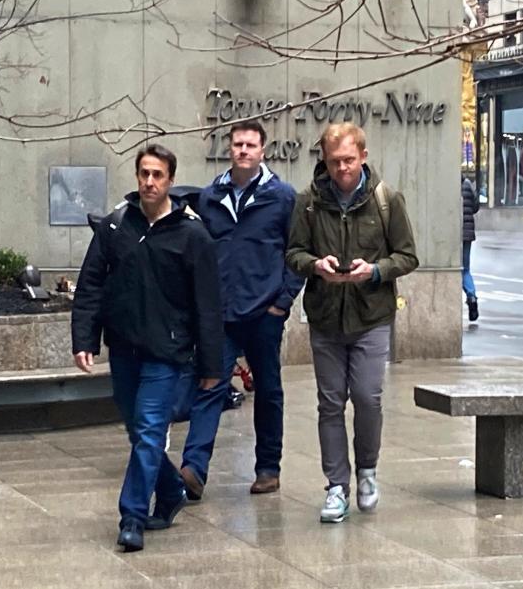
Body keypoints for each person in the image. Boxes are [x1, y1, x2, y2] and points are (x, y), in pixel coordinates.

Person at [71, 144, 223, 552]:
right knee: (137, 429)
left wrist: (211, 363)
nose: (150, 182)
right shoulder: (117, 226)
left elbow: (208, 305)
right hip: (123, 347)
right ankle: (171, 490)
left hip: (166, 352)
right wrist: (84, 339)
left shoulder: (193, 235)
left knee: (151, 431)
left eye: (158, 175)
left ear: (171, 179)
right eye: (144, 174)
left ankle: (132, 516)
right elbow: (90, 286)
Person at [287, 123, 418, 523]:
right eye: (333, 162)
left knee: (366, 397)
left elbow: (408, 256)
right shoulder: (309, 201)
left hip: (371, 314)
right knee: (329, 403)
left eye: (347, 160)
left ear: (362, 155)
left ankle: (367, 470)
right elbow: (293, 252)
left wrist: (375, 271)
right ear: (324, 162)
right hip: (326, 314)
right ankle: (335, 486)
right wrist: (315, 266)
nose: (341, 169)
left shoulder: (386, 200)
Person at [179, 120, 303, 500]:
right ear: (229, 149)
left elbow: (296, 252)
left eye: (250, 145)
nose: (243, 150)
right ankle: (193, 469)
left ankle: (268, 468)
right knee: (210, 384)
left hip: (264, 312)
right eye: (237, 144)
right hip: (221, 314)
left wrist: (282, 303)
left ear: (262, 151)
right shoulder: (210, 197)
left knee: (268, 390)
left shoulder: (281, 197)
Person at [461, 176, 480, 322]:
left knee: (456, 268)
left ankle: (470, 296)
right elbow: (475, 207)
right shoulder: (467, 184)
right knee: (466, 269)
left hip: (455, 233)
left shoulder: (449, 185)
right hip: (468, 232)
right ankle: (472, 296)